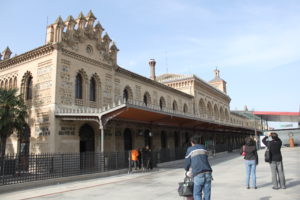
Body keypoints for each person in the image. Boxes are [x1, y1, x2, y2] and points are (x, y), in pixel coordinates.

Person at [185, 136, 212, 200]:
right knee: (207, 193)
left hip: (198, 173)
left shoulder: (190, 149)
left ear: (192, 142)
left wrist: (186, 170)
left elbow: (187, 163)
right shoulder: (204, 148)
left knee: (197, 194)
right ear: (199, 141)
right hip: (208, 172)